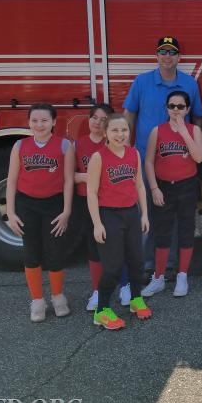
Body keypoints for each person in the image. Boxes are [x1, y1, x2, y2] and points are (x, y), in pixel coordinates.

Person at [123, 36, 202, 279]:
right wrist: (126, 151)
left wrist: (196, 146)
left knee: (177, 216)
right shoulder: (142, 81)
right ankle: (146, 263)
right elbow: (129, 114)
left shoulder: (189, 83)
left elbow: (197, 117)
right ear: (156, 56)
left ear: (179, 57)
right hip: (146, 161)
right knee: (147, 212)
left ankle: (171, 265)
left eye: (172, 52)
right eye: (163, 52)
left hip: (180, 164)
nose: (167, 56)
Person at [5, 103, 75, 322]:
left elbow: (68, 180)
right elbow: (12, 181)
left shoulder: (64, 145)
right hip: (27, 205)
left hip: (54, 205)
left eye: (44, 120)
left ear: (54, 122)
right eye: (34, 120)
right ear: (29, 123)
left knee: (54, 251)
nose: (39, 124)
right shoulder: (19, 146)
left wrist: (66, 211)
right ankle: (37, 300)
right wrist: (10, 212)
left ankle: (57, 296)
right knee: (31, 252)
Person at [86, 113, 151, 330]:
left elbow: (140, 185)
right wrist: (97, 223)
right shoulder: (99, 157)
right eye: (114, 130)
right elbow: (92, 192)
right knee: (112, 266)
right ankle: (102, 310)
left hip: (131, 213)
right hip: (109, 215)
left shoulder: (134, 153)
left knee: (137, 261)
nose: (120, 134)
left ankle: (135, 299)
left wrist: (144, 214)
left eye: (124, 130)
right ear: (105, 133)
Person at [142, 91, 202, 298]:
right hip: (163, 187)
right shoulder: (157, 131)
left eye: (180, 106)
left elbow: (198, 157)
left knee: (186, 230)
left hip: (187, 186)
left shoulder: (193, 129)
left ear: (187, 109)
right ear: (166, 108)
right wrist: (154, 188)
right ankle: (158, 277)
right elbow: (149, 161)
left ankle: (182, 276)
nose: (176, 110)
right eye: (172, 106)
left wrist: (183, 132)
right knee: (163, 232)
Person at [72, 103, 114, 312]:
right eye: (94, 117)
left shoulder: (113, 142)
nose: (97, 122)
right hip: (87, 201)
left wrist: (86, 177)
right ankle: (97, 291)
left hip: (112, 201)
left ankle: (124, 286)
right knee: (93, 246)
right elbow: (72, 175)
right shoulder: (78, 145)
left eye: (103, 119)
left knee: (117, 245)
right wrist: (93, 177)